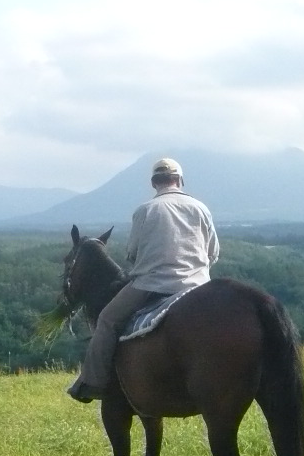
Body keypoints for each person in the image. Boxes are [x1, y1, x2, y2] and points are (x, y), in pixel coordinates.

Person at [67, 157, 220, 403]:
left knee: (107, 319)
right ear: (180, 180)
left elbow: (132, 254)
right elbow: (213, 252)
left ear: (153, 183)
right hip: (198, 286)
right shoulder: (201, 208)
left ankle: (92, 382)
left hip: (152, 285)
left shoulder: (145, 210)